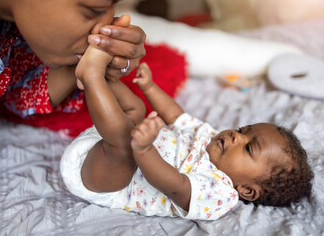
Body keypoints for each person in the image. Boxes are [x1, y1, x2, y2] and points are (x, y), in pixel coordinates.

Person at [60, 45, 314, 220]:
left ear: (247, 190)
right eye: (242, 130)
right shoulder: (212, 138)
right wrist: (149, 87)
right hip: (104, 143)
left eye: (248, 148)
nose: (237, 136)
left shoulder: (220, 195)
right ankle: (100, 76)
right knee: (135, 108)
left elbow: (173, 184)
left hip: (101, 181)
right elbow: (175, 115)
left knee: (125, 143)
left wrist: (145, 150)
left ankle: (90, 76)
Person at [0, 0, 146, 115]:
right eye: (95, 9)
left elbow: (17, 96)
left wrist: (87, 65)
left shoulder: (10, 24)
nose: (104, 26)